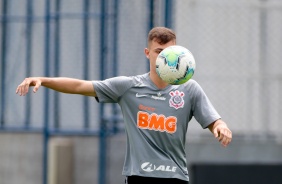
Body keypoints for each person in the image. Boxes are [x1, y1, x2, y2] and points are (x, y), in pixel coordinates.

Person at [16, 27, 232, 184]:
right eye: (159, 52)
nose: (165, 59)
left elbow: (214, 120)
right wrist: (43, 80)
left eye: (170, 53)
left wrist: (220, 127)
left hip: (174, 176)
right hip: (140, 176)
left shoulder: (189, 89)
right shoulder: (128, 86)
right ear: (148, 53)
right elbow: (80, 85)